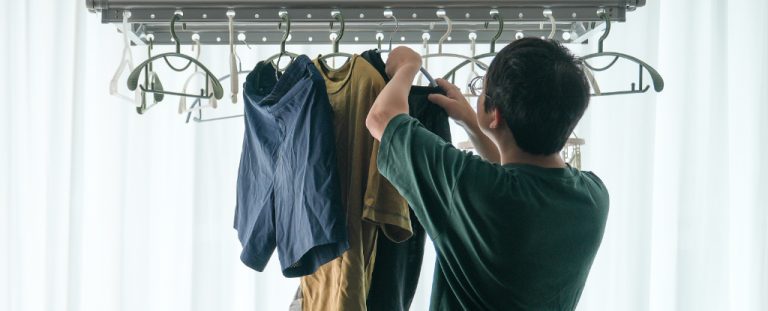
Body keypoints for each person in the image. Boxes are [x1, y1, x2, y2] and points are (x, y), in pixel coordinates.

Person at [365, 38, 609, 310]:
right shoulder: (594, 198)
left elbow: (381, 117)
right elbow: (519, 187)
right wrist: (471, 120)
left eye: (481, 88)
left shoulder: (466, 183)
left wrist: (408, 66)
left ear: (495, 113)